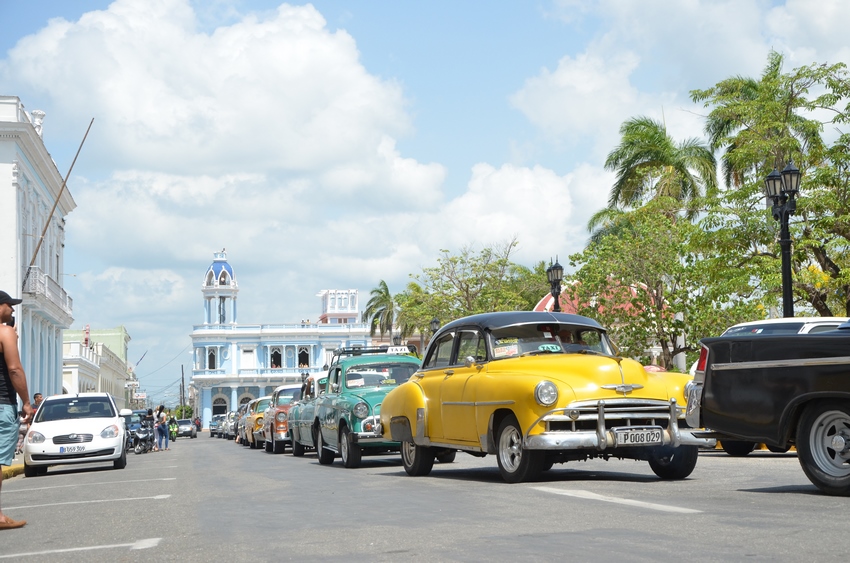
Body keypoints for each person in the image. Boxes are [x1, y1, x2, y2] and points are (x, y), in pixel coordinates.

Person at [0, 290, 32, 530]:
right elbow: (14, 370)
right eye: (10, 305)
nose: (12, 310)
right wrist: (27, 402)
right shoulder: (5, 332)